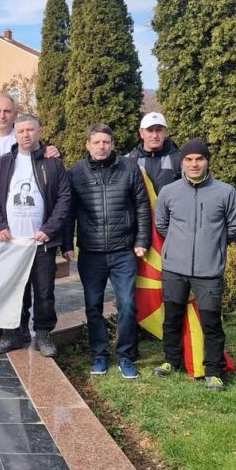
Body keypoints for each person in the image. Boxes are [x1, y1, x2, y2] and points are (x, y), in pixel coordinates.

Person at [154, 139, 236, 390]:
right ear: (182, 162)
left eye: (199, 159)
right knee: (172, 317)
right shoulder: (169, 192)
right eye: (189, 160)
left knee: (211, 321)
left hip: (209, 270)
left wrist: (213, 243)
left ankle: (213, 370)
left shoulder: (225, 192)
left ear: (207, 161)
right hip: (174, 268)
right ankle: (171, 360)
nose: (194, 164)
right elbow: (161, 224)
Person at [66, 124, 150, 379]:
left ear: (113, 143)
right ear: (88, 145)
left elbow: (142, 205)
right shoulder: (77, 172)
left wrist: (142, 239)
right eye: (96, 142)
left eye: (106, 142)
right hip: (91, 252)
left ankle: (125, 355)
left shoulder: (129, 167)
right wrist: (67, 244)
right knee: (93, 305)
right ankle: (99, 355)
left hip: (123, 250)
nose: (101, 146)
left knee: (127, 303)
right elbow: (69, 210)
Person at [0, 115, 72, 357]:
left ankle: (43, 333)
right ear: (15, 134)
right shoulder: (4, 163)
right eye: (21, 130)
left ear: (39, 131)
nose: (26, 135)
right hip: (11, 243)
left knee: (44, 291)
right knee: (14, 290)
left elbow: (64, 198)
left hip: (41, 242)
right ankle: (13, 332)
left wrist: (49, 229)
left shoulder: (53, 163)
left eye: (30, 130)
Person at [127, 112, 182, 195]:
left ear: (165, 132)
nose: (155, 135)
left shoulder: (179, 160)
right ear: (141, 133)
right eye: (150, 130)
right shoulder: (129, 161)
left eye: (159, 130)